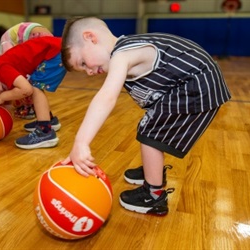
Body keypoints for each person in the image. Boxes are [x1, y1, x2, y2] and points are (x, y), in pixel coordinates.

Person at [60, 16, 231, 215]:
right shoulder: (126, 49)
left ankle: (154, 195)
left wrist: (81, 142)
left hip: (198, 85)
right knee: (151, 125)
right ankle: (153, 170)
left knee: (150, 133)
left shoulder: (123, 54)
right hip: (192, 83)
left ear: (90, 37)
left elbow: (106, 97)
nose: (89, 72)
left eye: (83, 63)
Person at [0, 36, 66, 149]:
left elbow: (26, 90)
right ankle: (49, 120)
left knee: (34, 88)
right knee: (33, 86)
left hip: (55, 52)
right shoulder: (0, 75)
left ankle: (45, 131)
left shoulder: (0, 69)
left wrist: (1, 98)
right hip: (56, 49)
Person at [0, 22, 54, 120]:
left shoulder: (4, 55)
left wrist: (5, 100)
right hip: (41, 35)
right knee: (33, 83)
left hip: (34, 35)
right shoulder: (7, 44)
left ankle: (43, 120)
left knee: (28, 84)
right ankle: (46, 118)